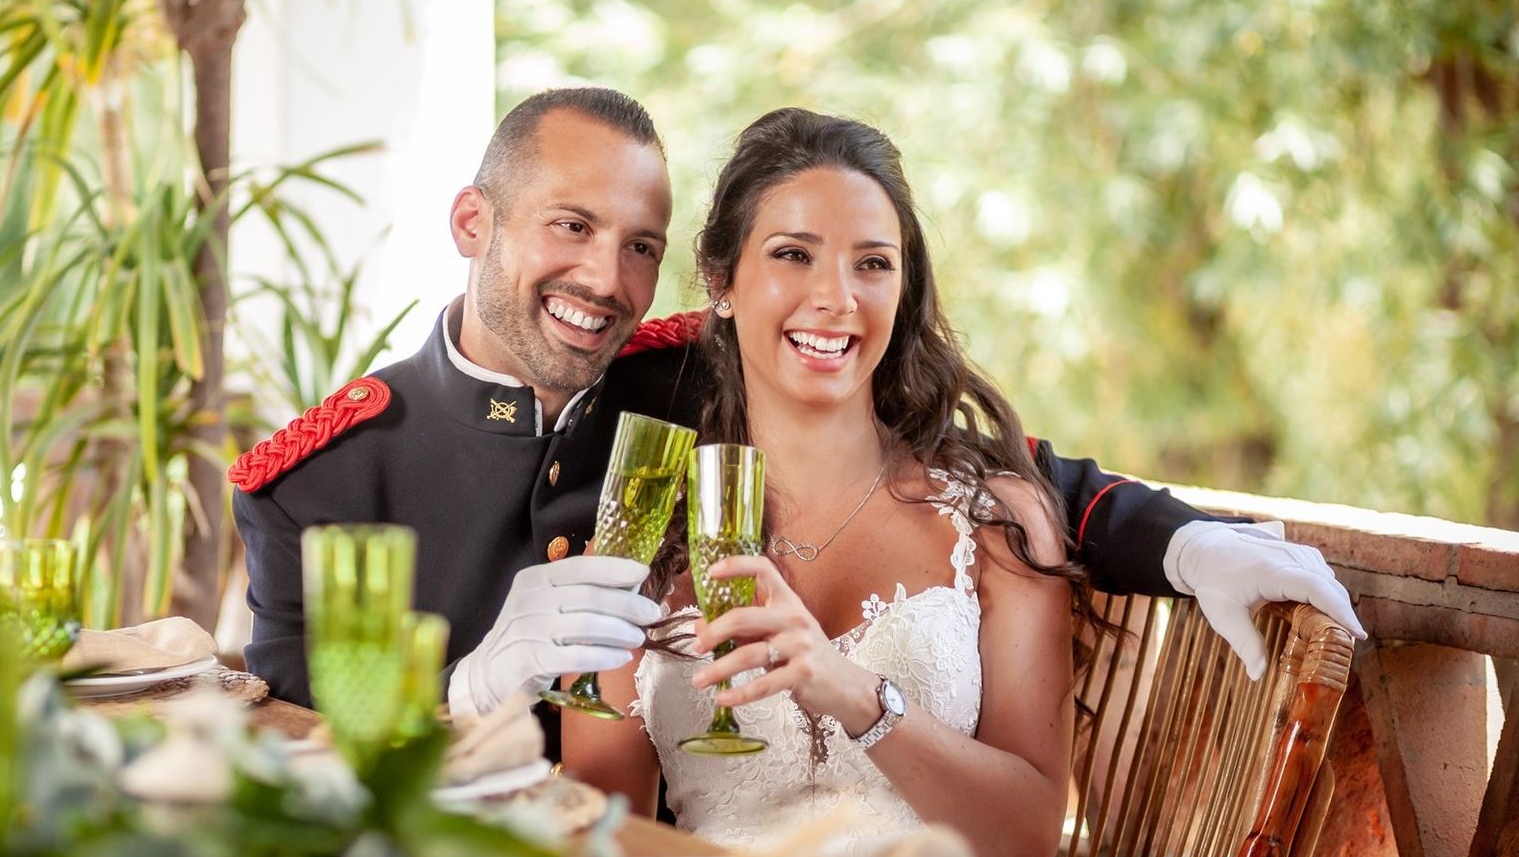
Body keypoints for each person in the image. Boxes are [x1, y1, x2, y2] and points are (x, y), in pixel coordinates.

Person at [229, 88, 1362, 726]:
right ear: (474, 222)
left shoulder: (677, 375)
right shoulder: (320, 479)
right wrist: (461, 690)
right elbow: (286, 751)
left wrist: (1192, 542)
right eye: (568, 227)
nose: (607, 283)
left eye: (638, 247)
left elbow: (995, 473)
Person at [565, 109, 1108, 857]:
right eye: (793, 255)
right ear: (721, 282)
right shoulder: (645, 537)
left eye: (873, 264)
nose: (837, 299)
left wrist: (857, 696)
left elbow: (1027, 838)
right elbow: (601, 852)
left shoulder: (993, 519)